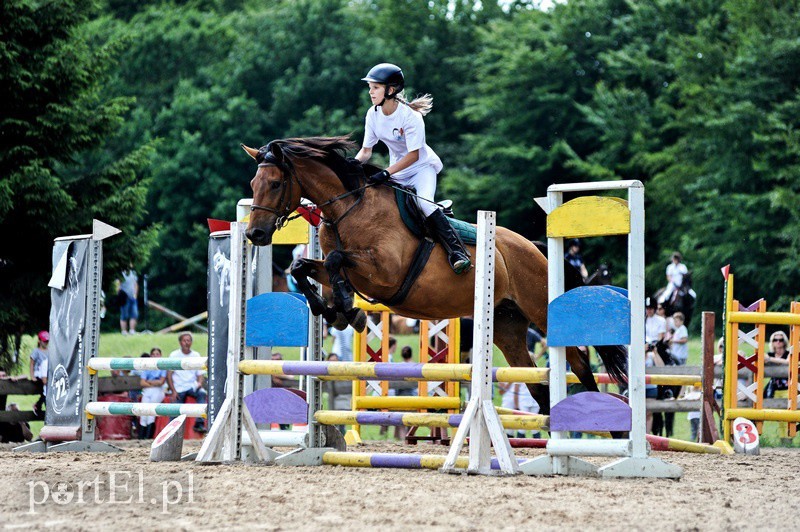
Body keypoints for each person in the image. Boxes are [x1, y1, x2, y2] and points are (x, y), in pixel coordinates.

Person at [354, 62, 470, 274]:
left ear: (390, 90)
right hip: (397, 170)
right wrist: (352, 165)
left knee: (424, 205)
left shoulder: (410, 117)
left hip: (420, 169)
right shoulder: (372, 114)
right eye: (370, 87)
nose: (370, 92)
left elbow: (413, 155)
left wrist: (387, 172)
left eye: (375, 87)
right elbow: (366, 151)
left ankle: (457, 251)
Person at [166, 332, 207, 433]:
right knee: (175, 409)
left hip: (192, 386)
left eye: (188, 340)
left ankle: (199, 423)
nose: (186, 343)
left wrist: (199, 383)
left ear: (191, 342)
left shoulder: (196, 355)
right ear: (180, 342)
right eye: (184, 340)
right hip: (178, 387)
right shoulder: (174, 355)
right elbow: (169, 375)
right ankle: (171, 430)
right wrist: (173, 391)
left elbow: (200, 374)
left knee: (202, 393)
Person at [138, 348, 166, 439]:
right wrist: (154, 383)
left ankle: (148, 436)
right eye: (153, 354)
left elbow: (161, 382)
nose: (155, 356)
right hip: (148, 390)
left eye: (157, 354)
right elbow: (142, 383)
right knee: (143, 411)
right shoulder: (147, 367)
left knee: (151, 412)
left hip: (158, 390)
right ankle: (141, 436)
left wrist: (149, 382)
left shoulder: (162, 366)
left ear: (160, 355)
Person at [324, 353, 351, 435]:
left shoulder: (343, 372)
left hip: (344, 399)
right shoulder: (325, 373)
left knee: (341, 422)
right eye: (332, 361)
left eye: (335, 360)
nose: (334, 363)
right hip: (333, 400)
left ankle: (341, 435)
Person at [764, 330, 790, 398]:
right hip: (774, 383)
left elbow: (788, 361)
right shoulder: (770, 354)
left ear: (784, 342)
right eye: (775, 340)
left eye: (781, 340)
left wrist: (770, 359)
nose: (778, 342)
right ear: (772, 342)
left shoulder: (789, 353)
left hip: (788, 383)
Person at [28, 330, 49, 416]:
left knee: (45, 392)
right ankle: (38, 406)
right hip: (39, 373)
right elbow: (32, 364)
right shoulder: (36, 351)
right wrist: (32, 376)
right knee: (44, 389)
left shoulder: (49, 351)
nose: (46, 343)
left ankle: (38, 405)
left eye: (47, 341)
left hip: (47, 373)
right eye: (44, 341)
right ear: (39, 341)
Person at [118, 266, 139, 335]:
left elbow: (135, 284)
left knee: (134, 314)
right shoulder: (121, 273)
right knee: (124, 315)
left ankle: (132, 330)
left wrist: (135, 294)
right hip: (124, 297)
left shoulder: (133, 273)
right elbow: (118, 284)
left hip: (132, 297)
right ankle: (124, 331)